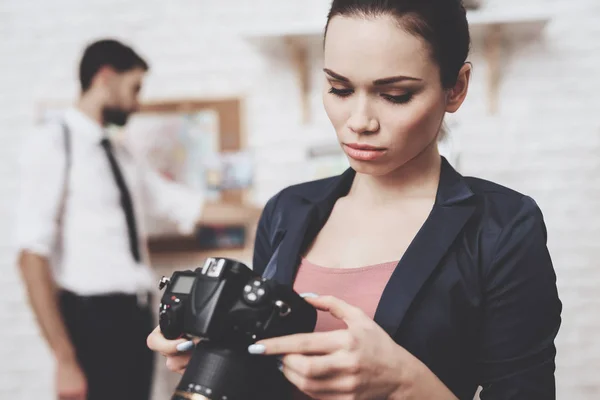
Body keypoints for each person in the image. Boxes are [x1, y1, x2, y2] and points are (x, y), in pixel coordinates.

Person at [147, 0, 562, 399]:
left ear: (456, 88)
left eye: (395, 95)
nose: (359, 122)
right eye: (339, 88)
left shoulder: (502, 226)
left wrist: (402, 382)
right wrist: (217, 358)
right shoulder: (287, 212)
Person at [16, 38, 257, 400]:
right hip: (91, 320)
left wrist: (267, 211)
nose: (137, 100)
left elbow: (181, 205)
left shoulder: (120, 152)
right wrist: (64, 360)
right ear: (105, 78)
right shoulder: (54, 143)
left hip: (134, 318)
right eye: (134, 87)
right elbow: (31, 257)